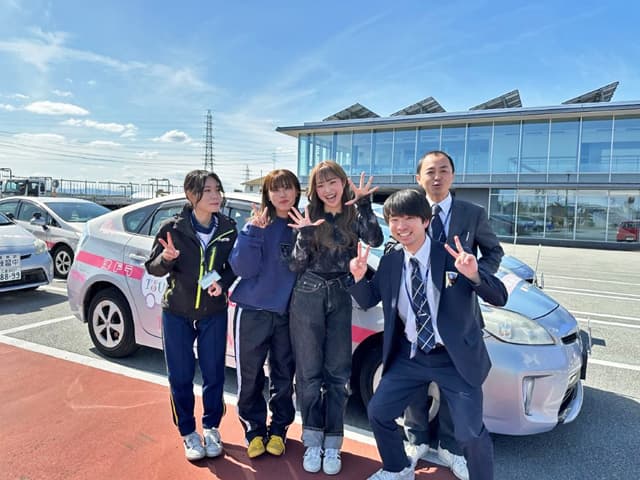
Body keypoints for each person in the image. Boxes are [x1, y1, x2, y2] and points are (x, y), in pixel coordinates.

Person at [349, 189, 508, 480]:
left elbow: (499, 296)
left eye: (409, 218)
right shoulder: (391, 262)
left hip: (453, 358)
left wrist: (474, 275)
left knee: (470, 434)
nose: (401, 226)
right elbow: (369, 299)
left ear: (425, 221)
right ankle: (398, 467)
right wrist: (358, 278)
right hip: (410, 356)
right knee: (379, 412)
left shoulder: (450, 257)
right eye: (394, 219)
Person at [399, 150, 505, 480]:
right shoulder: (408, 211)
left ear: (453, 176)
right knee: (414, 382)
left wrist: (474, 274)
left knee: (453, 382)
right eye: (430, 171)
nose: (437, 177)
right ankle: (415, 440)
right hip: (417, 313)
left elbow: (494, 251)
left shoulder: (472, 213)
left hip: (458, 316)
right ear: (418, 178)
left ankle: (449, 445)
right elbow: (393, 248)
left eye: (443, 170)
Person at [288, 160, 383, 475]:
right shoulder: (309, 214)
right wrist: (304, 235)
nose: (328, 190)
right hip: (308, 294)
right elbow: (295, 265)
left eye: (333, 182)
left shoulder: (354, 214)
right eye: (321, 184)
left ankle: (333, 444)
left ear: (343, 183)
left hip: (342, 295)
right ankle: (312, 440)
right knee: (308, 374)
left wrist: (365, 203)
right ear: (314, 189)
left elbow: (375, 240)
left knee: (338, 374)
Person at [145, 170, 238, 462]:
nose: (215, 196)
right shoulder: (172, 228)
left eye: (217, 189)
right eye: (207, 190)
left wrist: (222, 283)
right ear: (190, 194)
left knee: (214, 374)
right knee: (181, 376)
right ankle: (188, 431)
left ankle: (211, 427)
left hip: (213, 313)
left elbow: (234, 267)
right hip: (177, 313)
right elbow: (152, 267)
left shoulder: (228, 228)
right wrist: (166, 259)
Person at [228, 169, 301, 459]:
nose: (282, 194)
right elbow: (242, 269)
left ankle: (279, 430)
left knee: (284, 376)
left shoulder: (302, 224)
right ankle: (253, 430)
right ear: (267, 194)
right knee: (250, 375)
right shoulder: (256, 224)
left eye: (288, 188)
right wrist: (253, 233)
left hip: (286, 315)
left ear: (297, 191)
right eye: (276, 189)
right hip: (252, 311)